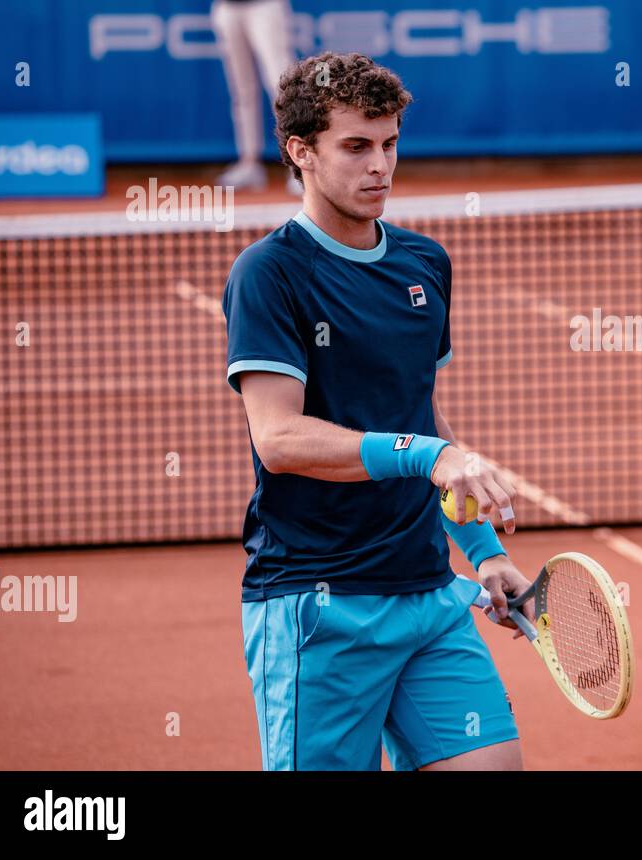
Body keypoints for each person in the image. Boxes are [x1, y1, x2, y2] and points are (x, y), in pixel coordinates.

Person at [221, 51, 533, 770]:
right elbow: (279, 438)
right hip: (318, 607)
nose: (380, 167)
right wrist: (431, 458)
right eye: (356, 146)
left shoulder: (424, 264)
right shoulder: (270, 275)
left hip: (427, 594)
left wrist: (485, 554)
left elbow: (420, 414)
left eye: (389, 144)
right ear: (301, 152)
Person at [207, 0, 302, 195]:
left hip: (266, 5)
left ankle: (298, 169)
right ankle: (249, 163)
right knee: (242, 88)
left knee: (281, 85)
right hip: (227, 6)